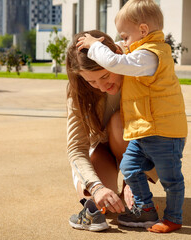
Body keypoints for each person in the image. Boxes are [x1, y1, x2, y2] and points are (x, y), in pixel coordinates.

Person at [77, 0, 188, 233]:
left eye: (125, 37)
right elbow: (121, 52)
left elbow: (116, 60)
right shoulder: (141, 52)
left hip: (163, 133)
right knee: (130, 166)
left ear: (144, 31)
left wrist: (94, 45)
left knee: (172, 180)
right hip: (145, 131)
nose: (123, 43)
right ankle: (145, 209)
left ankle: (173, 218)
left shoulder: (150, 55)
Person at [66, 30, 158, 232]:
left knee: (117, 122)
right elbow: (76, 148)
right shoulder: (78, 92)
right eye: (91, 82)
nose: (101, 87)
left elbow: (167, 124)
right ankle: (98, 201)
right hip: (103, 147)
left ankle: (133, 182)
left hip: (138, 144)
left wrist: (133, 180)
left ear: (116, 55)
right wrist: (97, 188)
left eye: (105, 75)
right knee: (100, 202)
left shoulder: (137, 63)